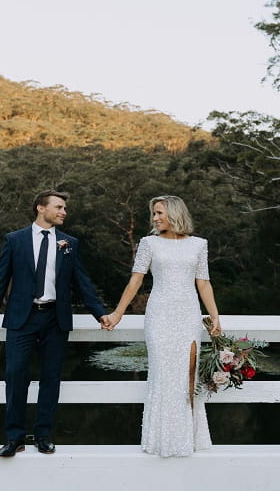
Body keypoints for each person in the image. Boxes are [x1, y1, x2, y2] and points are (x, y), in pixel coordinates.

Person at [0, 190, 113, 458]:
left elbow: (82, 282)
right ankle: (14, 438)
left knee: (51, 379)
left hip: (55, 318)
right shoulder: (15, 240)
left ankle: (43, 436)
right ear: (41, 208)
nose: (64, 212)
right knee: (16, 376)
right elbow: (0, 280)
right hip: (22, 317)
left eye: (65, 208)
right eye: (59, 207)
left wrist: (100, 313)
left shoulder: (69, 243)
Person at [103, 195, 221, 457]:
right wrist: (118, 313)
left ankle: (187, 439)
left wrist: (214, 316)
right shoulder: (149, 243)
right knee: (162, 373)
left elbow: (203, 282)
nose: (155, 218)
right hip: (159, 316)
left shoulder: (199, 245)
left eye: (159, 213)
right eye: (153, 214)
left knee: (186, 376)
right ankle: (159, 439)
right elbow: (135, 282)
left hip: (188, 315)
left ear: (174, 214)